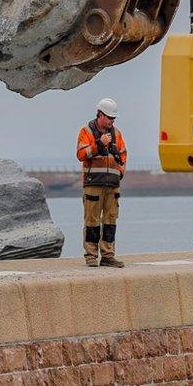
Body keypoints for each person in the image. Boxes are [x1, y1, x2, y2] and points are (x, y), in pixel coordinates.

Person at [75, 97, 128, 268]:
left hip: (112, 185)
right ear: (100, 115)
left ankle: (108, 255)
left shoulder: (117, 134)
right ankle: (91, 256)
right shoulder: (86, 132)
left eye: (114, 118)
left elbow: (123, 153)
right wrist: (99, 144)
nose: (112, 121)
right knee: (92, 220)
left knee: (111, 220)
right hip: (93, 183)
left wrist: (120, 172)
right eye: (109, 117)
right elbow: (81, 154)